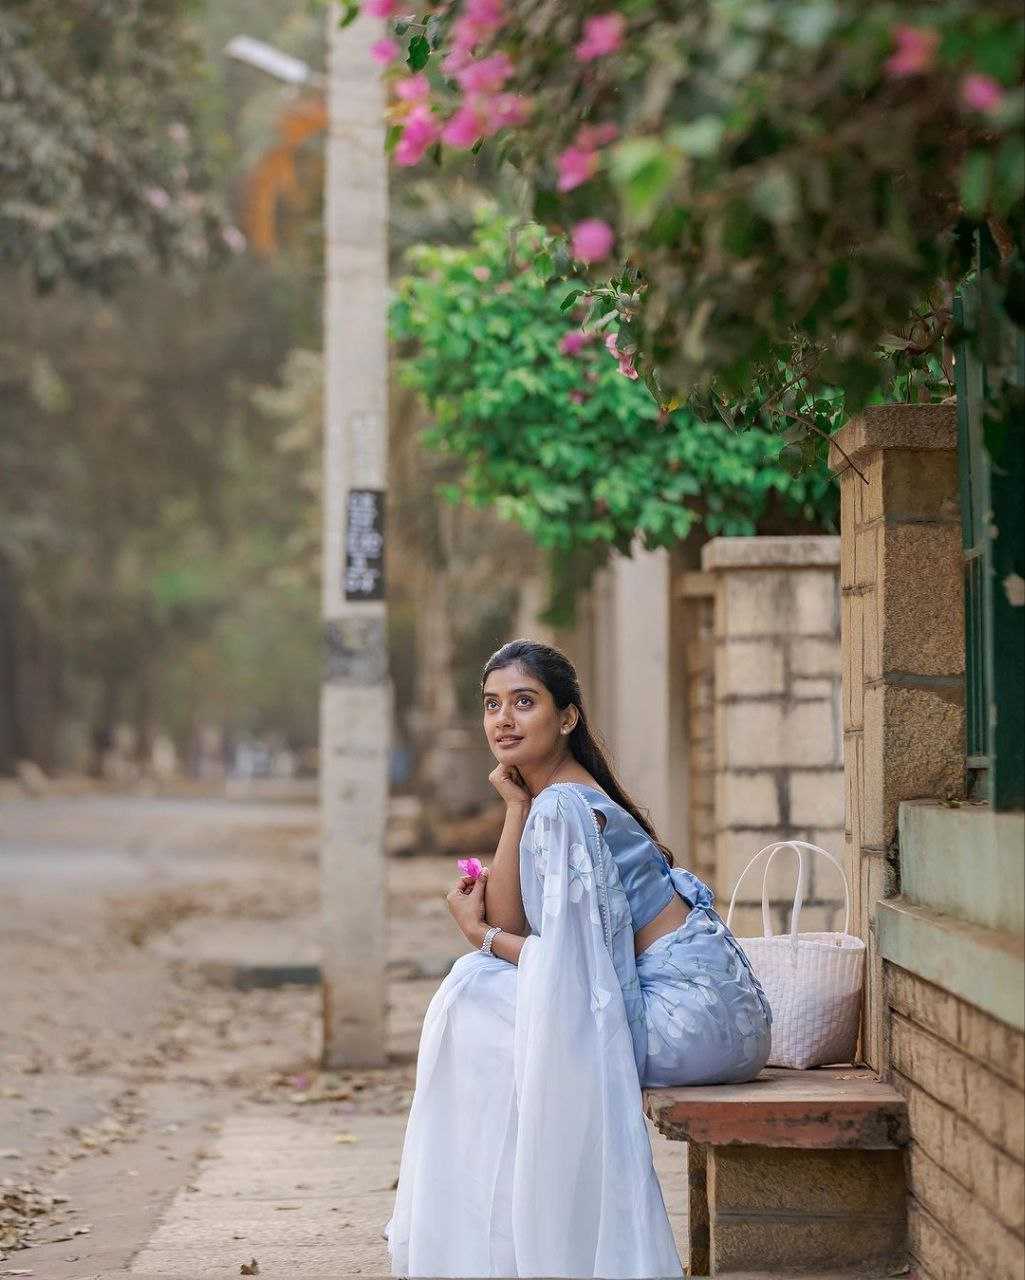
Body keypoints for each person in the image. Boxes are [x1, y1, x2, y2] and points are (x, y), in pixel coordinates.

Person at [384, 639, 772, 1279]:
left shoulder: (565, 805)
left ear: (566, 717)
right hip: (713, 1014)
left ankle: (510, 1244)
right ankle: (509, 1234)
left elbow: (569, 970)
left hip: (691, 1022)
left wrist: (478, 937)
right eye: (491, 705)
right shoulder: (548, 800)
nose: (503, 720)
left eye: (524, 702)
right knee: (479, 991)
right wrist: (513, 809)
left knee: (475, 999)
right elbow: (518, 923)